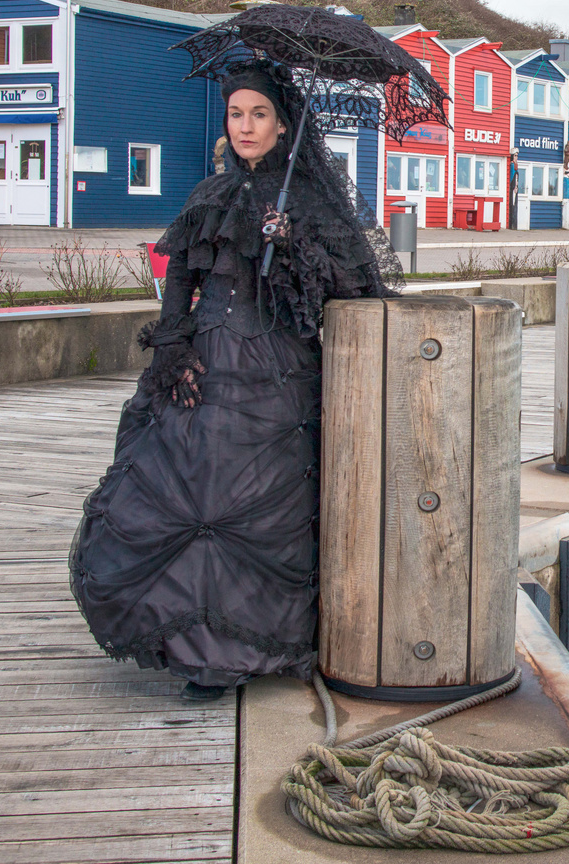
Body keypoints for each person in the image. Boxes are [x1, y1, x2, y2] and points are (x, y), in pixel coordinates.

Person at [69, 62, 400, 702]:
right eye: (235, 114)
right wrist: (172, 346)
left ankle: (253, 646)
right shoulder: (211, 196)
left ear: (283, 125)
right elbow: (182, 283)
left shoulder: (309, 203)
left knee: (261, 504)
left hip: (278, 372)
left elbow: (352, 291)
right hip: (206, 364)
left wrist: (295, 241)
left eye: (259, 115)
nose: (245, 126)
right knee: (191, 494)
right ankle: (197, 654)